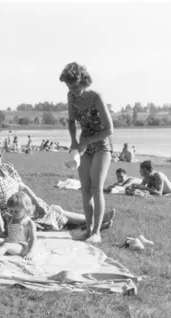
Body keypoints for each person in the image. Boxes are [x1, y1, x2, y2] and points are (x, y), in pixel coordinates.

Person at [0, 144, 114, 236]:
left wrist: (36, 201)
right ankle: (94, 223)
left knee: (53, 210)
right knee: (54, 213)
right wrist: (2, 231)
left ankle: (94, 223)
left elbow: (23, 187)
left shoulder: (7, 168)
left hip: (25, 205)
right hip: (12, 213)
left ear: (1, 155)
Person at [60, 61, 114, 244]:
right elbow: (71, 121)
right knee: (85, 189)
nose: (73, 90)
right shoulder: (71, 96)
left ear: (83, 81)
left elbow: (109, 129)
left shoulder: (96, 97)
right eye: (69, 86)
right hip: (84, 146)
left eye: (75, 86)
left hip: (101, 146)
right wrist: (74, 141)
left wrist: (86, 141)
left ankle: (97, 233)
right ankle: (89, 229)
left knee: (96, 188)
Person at [0, 192, 37, 261]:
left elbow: (33, 239)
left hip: (21, 247)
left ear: (26, 209)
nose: (13, 213)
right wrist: (1, 234)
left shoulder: (28, 223)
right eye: (11, 211)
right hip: (10, 243)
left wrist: (31, 252)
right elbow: (8, 234)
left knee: (6, 246)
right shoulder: (10, 220)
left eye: (16, 211)